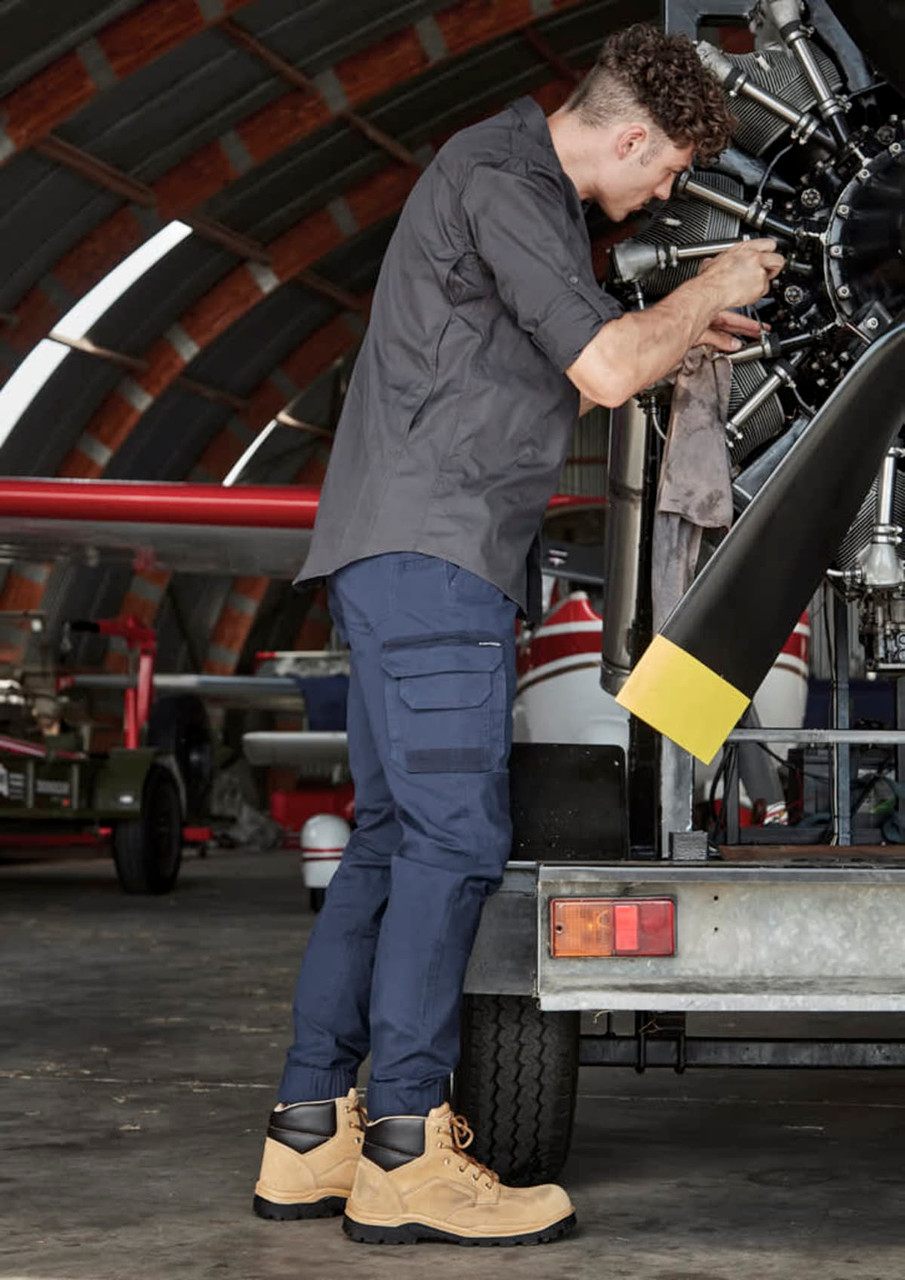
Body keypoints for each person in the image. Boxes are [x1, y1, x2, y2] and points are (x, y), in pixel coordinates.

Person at [253, 22, 785, 1247]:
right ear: (633, 134)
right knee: (454, 843)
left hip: (401, 558)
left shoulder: (501, 182)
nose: (661, 194)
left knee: (389, 842)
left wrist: (673, 331)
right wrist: (707, 283)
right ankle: (403, 1150)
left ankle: (306, 1135)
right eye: (665, 172)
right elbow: (601, 367)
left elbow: (588, 348)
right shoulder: (507, 178)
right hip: (435, 561)